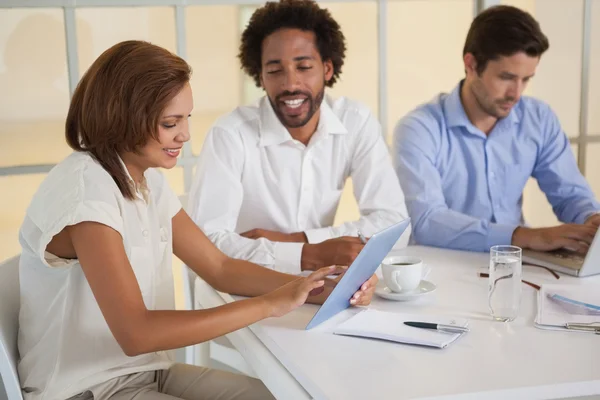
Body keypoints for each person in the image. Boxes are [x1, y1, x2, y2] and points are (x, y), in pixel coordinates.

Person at [17, 40, 376, 400]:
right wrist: (270, 305)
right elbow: (136, 332)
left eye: (186, 118)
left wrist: (318, 291)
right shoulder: (87, 192)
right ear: (122, 118)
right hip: (85, 390)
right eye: (170, 123)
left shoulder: (146, 178)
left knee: (286, 395)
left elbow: (218, 266)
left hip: (148, 374)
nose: (185, 135)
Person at [189, 0, 409, 274]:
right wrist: (310, 254)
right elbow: (204, 246)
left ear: (327, 69)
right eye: (274, 70)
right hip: (243, 288)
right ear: (260, 75)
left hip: (319, 282)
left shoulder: (355, 121)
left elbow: (396, 226)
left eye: (303, 67)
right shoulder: (230, 135)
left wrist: (303, 242)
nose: (290, 84)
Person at [393, 5, 600, 253]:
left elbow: (569, 194)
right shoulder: (419, 130)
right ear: (471, 65)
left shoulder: (538, 118)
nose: (516, 93)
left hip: (522, 266)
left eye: (526, 79)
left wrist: (591, 221)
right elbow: (426, 221)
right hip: (446, 270)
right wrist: (524, 236)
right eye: (506, 77)